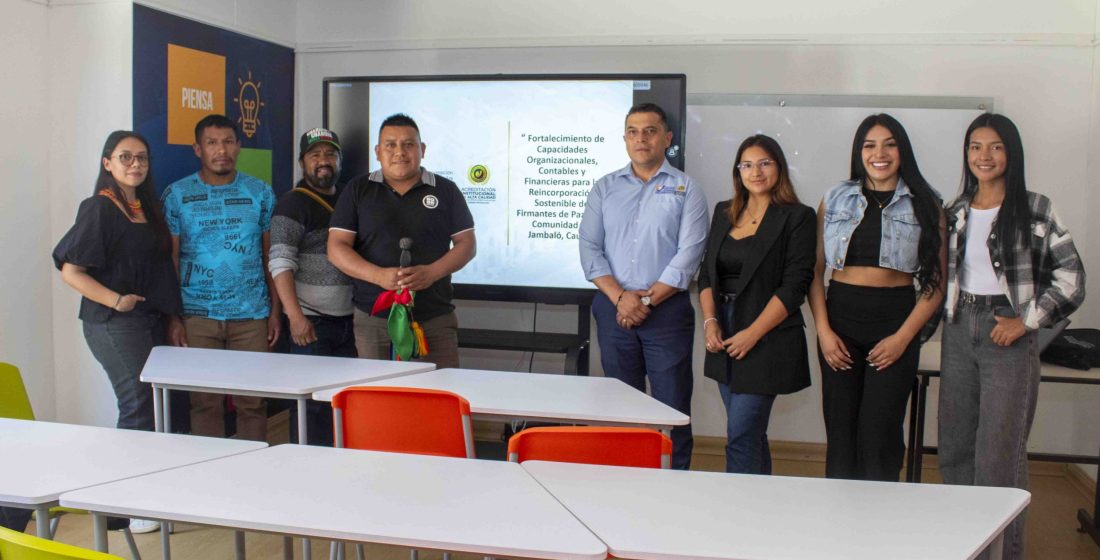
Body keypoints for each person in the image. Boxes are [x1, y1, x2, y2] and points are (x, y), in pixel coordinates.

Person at [938, 114, 1085, 560]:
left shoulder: (1036, 207)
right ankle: (967, 548)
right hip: (960, 332)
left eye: (996, 146)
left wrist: (1026, 320)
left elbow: (1072, 278)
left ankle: (1002, 554)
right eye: (976, 147)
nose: (985, 156)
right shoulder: (956, 210)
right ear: (967, 154)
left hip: (1009, 337)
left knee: (998, 459)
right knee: (955, 451)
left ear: (1012, 153)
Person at [52, 130, 183, 534]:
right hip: (113, 323)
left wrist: (173, 318)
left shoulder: (149, 208)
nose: (135, 164)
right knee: (138, 407)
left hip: (151, 319)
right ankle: (124, 507)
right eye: (125, 157)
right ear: (107, 163)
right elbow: (70, 269)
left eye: (142, 158)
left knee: (160, 408)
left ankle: (152, 496)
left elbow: (162, 268)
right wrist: (115, 300)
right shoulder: (99, 208)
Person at [808, 113, 946, 482]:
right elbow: (815, 272)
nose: (879, 153)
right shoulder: (835, 197)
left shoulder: (926, 204)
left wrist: (903, 339)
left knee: (879, 432)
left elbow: (936, 285)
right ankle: (839, 522)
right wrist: (823, 331)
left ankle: (880, 525)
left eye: (889, 144)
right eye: (869, 145)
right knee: (841, 430)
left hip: (895, 324)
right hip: (839, 324)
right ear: (859, 151)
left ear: (902, 151)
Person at [578, 103, 708, 470]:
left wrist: (644, 300)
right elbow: (589, 247)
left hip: (666, 311)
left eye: (650, 131)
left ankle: (674, 481)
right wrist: (622, 298)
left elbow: (689, 254)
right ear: (624, 139)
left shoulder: (687, 189)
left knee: (672, 408)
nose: (641, 138)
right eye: (633, 131)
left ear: (666, 138)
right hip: (613, 308)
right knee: (621, 405)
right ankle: (624, 479)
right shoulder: (604, 188)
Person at [697, 135, 816, 474]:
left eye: (765, 163)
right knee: (748, 433)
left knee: (741, 433)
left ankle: (739, 512)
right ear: (738, 172)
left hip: (768, 334)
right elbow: (707, 275)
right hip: (723, 330)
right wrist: (710, 322)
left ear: (778, 167)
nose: (756, 171)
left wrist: (753, 333)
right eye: (747, 165)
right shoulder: (724, 212)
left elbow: (795, 287)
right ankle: (762, 506)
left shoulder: (798, 217)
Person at [161, 114, 279, 441]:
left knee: (253, 401)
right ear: (198, 149)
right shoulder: (177, 195)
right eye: (212, 143)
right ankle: (209, 476)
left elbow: (272, 258)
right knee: (203, 402)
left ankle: (252, 468)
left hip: (251, 315)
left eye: (228, 141)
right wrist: (174, 317)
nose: (221, 150)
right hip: (197, 314)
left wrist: (275, 312)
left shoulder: (261, 193)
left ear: (239, 146)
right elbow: (169, 260)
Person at [328, 114, 475, 368]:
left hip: (433, 318)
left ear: (422, 149)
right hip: (374, 318)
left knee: (438, 397)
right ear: (377, 151)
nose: (400, 152)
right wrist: (378, 276)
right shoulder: (357, 189)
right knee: (376, 399)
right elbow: (336, 247)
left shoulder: (446, 190)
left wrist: (431, 273)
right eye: (390, 145)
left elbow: (467, 244)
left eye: (408, 144)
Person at [270, 127, 354, 446]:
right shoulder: (292, 204)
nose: (323, 161)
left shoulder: (349, 198)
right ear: (302, 162)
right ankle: (307, 470)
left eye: (330, 154)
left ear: (340, 160)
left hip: (349, 321)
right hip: (312, 324)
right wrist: (296, 317)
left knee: (343, 403)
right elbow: (279, 263)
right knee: (311, 408)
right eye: (315, 155)